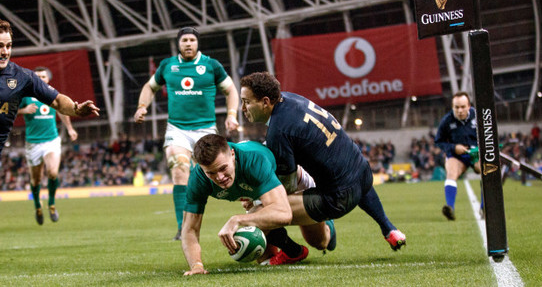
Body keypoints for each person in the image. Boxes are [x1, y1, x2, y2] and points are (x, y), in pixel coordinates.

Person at [239, 72, 406, 251]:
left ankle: (293, 251)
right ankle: (390, 229)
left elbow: (287, 185)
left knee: (258, 212)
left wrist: (256, 197)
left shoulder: (279, 130)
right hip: (362, 171)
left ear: (265, 102)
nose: (243, 108)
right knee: (352, 178)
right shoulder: (289, 98)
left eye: (247, 102)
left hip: (338, 197)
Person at [134, 27, 240, 240]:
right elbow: (149, 86)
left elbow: (231, 90)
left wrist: (231, 115)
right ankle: (183, 228)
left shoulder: (211, 65)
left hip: (206, 130)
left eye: (192, 40)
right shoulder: (168, 66)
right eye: (185, 40)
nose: (189, 43)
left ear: (197, 43)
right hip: (177, 129)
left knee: (208, 175)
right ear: (178, 44)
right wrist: (142, 106)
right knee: (179, 168)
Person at [182, 134, 309, 275]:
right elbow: (190, 229)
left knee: (321, 241)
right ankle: (293, 251)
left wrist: (237, 219)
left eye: (223, 168)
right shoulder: (198, 179)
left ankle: (325, 221)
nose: (220, 177)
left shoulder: (253, 161)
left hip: (290, 180)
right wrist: (196, 265)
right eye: (211, 173)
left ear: (232, 154)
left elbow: (283, 213)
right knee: (262, 253)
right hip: (260, 191)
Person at [0, 18, 99, 156]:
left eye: (8, 46)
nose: (5, 52)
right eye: (0, 46)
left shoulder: (22, 77)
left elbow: (58, 101)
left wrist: (76, 110)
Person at [18, 67, 79, 225]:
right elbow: (10, 110)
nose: (41, 78)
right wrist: (24, 110)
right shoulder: (25, 95)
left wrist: (70, 129)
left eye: (43, 76)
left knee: (52, 172)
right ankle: (38, 205)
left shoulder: (51, 94)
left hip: (51, 139)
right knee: (36, 179)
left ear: (48, 79)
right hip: (33, 142)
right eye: (37, 76)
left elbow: (62, 110)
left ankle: (51, 204)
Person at [435, 91, 481, 221]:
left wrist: (480, 150)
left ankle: (484, 208)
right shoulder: (446, 120)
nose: (460, 110)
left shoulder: (479, 117)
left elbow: (489, 135)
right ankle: (450, 208)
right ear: (452, 107)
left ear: (469, 106)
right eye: (456, 107)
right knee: (451, 174)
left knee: (488, 171)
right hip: (457, 156)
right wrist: (454, 147)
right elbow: (439, 141)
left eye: (463, 107)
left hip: (476, 153)